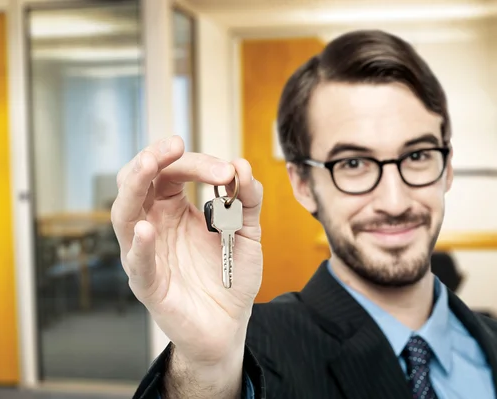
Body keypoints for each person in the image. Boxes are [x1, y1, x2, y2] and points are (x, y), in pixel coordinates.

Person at [111, 29, 497, 399]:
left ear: (447, 168)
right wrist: (205, 370)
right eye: (353, 163)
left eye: (417, 156)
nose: (394, 202)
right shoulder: (252, 353)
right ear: (304, 184)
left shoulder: (489, 338)